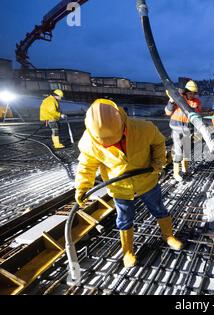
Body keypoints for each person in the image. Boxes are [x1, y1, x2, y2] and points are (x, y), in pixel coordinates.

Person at [75, 99, 183, 268]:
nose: (108, 143)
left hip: (146, 181)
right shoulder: (89, 142)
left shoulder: (143, 128)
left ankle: (168, 236)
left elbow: (158, 142)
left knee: (159, 209)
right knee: (124, 219)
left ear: (122, 124)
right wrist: (82, 188)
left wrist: (159, 162)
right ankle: (127, 252)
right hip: (120, 187)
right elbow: (86, 167)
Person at [165, 80, 202, 182]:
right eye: (190, 92)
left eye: (193, 93)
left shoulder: (196, 102)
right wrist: (171, 101)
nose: (191, 95)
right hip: (176, 129)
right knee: (178, 151)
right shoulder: (178, 99)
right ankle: (176, 173)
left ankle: (185, 169)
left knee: (186, 151)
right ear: (186, 91)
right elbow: (168, 112)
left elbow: (196, 116)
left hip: (188, 130)